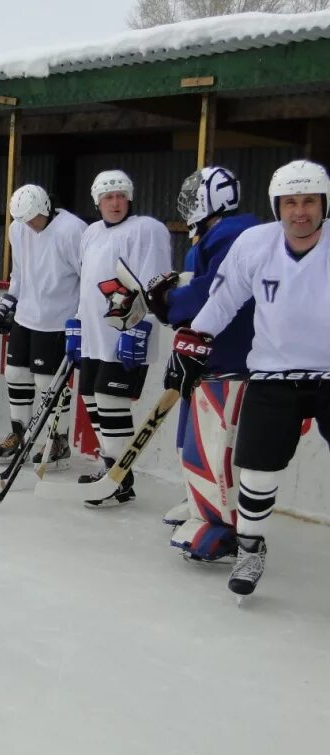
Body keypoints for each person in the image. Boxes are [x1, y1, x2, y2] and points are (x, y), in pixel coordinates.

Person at [167, 159, 330, 597]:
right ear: (277, 206)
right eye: (291, 202)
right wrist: (194, 338)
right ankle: (251, 548)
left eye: (309, 201)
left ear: (324, 203)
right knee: (257, 472)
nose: (300, 211)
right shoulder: (254, 244)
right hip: (273, 374)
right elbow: (222, 301)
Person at [140, 167, 259, 562]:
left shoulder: (232, 235)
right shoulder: (212, 235)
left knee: (210, 443)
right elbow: (199, 284)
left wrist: (171, 302)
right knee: (190, 440)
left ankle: (219, 529)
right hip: (203, 353)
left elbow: (213, 292)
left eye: (195, 195)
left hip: (227, 355)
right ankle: (199, 506)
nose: (188, 203)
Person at [70, 169, 172, 506]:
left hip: (125, 334)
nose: (115, 203)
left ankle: (116, 479)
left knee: (111, 402)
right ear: (97, 201)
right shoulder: (92, 233)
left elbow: (155, 281)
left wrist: (140, 327)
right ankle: (115, 472)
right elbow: (87, 285)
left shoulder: (147, 229)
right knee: (91, 399)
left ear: (129, 198)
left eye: (120, 196)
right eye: (107, 197)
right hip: (95, 336)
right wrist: (77, 326)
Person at [0, 185, 85, 467]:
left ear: (46, 208)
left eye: (33, 218)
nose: (29, 225)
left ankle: (58, 440)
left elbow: (87, 278)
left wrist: (79, 321)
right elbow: (19, 273)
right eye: (23, 220)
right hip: (26, 316)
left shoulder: (73, 230)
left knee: (48, 382)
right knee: (15, 374)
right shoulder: (18, 229)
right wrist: (8, 300)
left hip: (58, 319)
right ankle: (19, 433)